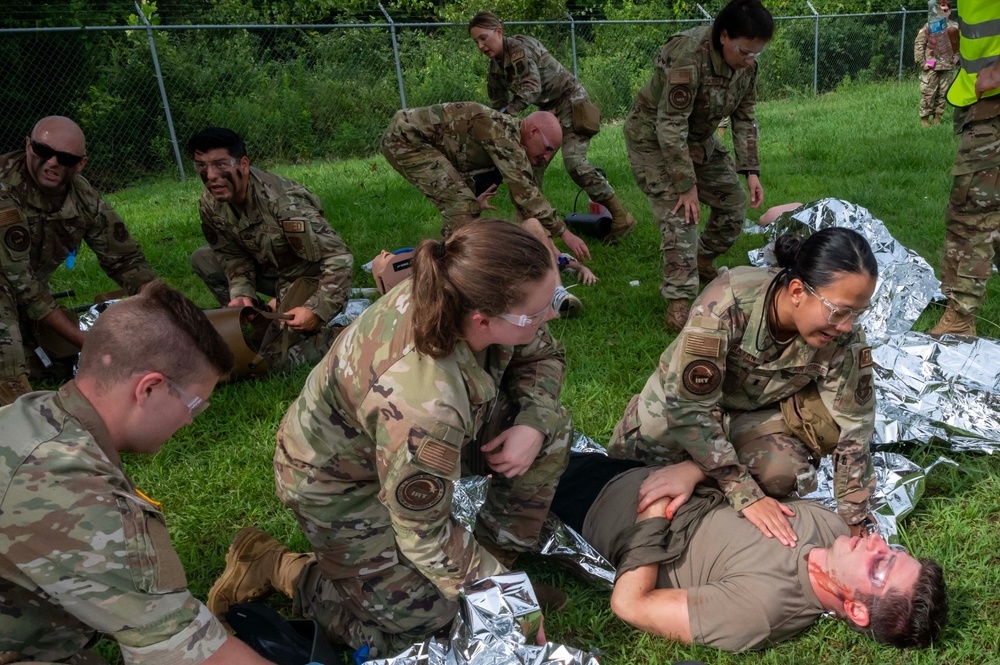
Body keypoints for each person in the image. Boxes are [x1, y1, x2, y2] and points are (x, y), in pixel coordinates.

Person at [208, 220, 573, 656]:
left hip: (402, 443)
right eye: (537, 312)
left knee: (550, 429)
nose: (550, 315)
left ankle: (493, 568)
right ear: (483, 320)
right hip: (338, 483)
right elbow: (423, 531)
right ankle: (279, 567)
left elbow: (544, 353)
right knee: (425, 625)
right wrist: (506, 598)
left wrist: (531, 422)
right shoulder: (426, 402)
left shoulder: (468, 287)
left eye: (551, 298)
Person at [0, 280, 277, 664]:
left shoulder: (34, 416)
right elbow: (185, 652)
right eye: (196, 406)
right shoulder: (70, 489)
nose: (191, 422)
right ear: (149, 389)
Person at [608, 228, 879, 547]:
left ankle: (698, 470)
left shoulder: (844, 337)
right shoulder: (728, 302)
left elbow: (855, 425)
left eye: (857, 313)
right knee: (630, 475)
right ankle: (682, 453)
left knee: (782, 471)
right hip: (682, 405)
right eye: (838, 311)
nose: (846, 326)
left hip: (749, 412)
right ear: (796, 291)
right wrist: (744, 493)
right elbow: (688, 408)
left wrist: (855, 517)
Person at [550, 454, 947, 652]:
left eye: (879, 564)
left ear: (857, 609)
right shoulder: (832, 528)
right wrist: (693, 471)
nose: (874, 541)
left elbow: (630, 605)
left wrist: (653, 510)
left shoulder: (759, 612)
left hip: (596, 503)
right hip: (649, 470)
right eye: (888, 548)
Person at [624, 0, 772, 331]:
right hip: (652, 139)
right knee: (681, 215)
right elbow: (670, 123)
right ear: (723, 37)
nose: (749, 60)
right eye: (744, 51)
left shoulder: (746, 67)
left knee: (734, 205)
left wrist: (751, 171)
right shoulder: (689, 57)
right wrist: (686, 185)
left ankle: (700, 260)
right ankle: (679, 302)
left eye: (755, 54)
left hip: (696, 140)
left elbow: (745, 117)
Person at [0, 116, 156, 403]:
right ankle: (14, 408)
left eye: (65, 158)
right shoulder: (4, 188)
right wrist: (88, 342)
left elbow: (126, 261)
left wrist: (169, 310)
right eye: (43, 151)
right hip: (9, 288)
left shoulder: (84, 199)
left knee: (60, 359)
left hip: (22, 300)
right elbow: (20, 282)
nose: (52, 163)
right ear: (27, 146)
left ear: (80, 164)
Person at [188, 127, 354, 371]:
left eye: (220, 164)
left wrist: (317, 310)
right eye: (201, 165)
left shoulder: (284, 202)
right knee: (203, 259)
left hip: (309, 275)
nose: (210, 175)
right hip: (273, 270)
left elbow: (339, 257)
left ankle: (346, 335)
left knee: (275, 360)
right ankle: (262, 324)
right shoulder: (211, 202)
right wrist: (241, 292)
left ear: (243, 164)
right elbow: (231, 254)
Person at [468, 11, 637, 243]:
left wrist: (509, 113)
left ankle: (620, 216)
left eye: (483, 37)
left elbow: (532, 87)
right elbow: (498, 107)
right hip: (548, 113)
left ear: (498, 31)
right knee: (528, 167)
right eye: (476, 41)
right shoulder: (496, 68)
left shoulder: (519, 49)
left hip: (571, 102)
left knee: (574, 162)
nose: (480, 45)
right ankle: (533, 226)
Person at [381, 101, 592, 262]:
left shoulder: (511, 137)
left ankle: (453, 261)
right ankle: (443, 268)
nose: (547, 157)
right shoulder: (505, 138)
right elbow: (525, 193)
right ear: (533, 131)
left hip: (420, 139)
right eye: (547, 148)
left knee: (469, 204)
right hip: (405, 139)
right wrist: (564, 233)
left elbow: (525, 201)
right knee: (461, 206)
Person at [927, 0, 1000, 336]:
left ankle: (960, 317)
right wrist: (958, 43)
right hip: (980, 102)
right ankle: (955, 301)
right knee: (971, 209)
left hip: (994, 105)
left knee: (974, 213)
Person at [913, 0, 958, 127]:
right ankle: (925, 121)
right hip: (931, 66)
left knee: (943, 94)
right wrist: (922, 62)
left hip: (947, 66)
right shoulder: (929, 26)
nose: (943, 13)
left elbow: (960, 45)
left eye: (945, 10)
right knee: (928, 94)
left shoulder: (954, 27)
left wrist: (957, 57)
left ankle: (938, 119)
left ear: (950, 11)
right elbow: (919, 44)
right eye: (940, 10)